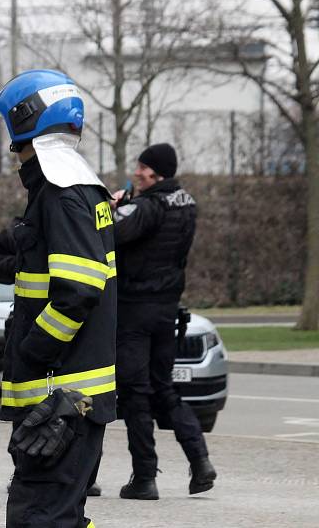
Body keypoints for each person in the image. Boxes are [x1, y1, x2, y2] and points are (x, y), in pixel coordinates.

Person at [0, 69, 117, 528]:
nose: (13, 154)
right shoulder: (82, 189)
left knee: (40, 518)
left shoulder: (61, 195)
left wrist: (33, 350)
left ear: (29, 128)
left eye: (15, 143)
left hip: (60, 398)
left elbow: (78, 291)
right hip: (70, 399)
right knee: (63, 517)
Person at [110, 143, 216, 499]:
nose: (136, 172)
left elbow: (113, 232)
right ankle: (200, 462)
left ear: (155, 173)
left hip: (136, 310)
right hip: (167, 309)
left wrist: (116, 207)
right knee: (165, 388)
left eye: (142, 168)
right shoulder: (186, 203)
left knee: (136, 393)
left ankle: (144, 478)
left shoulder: (147, 206)